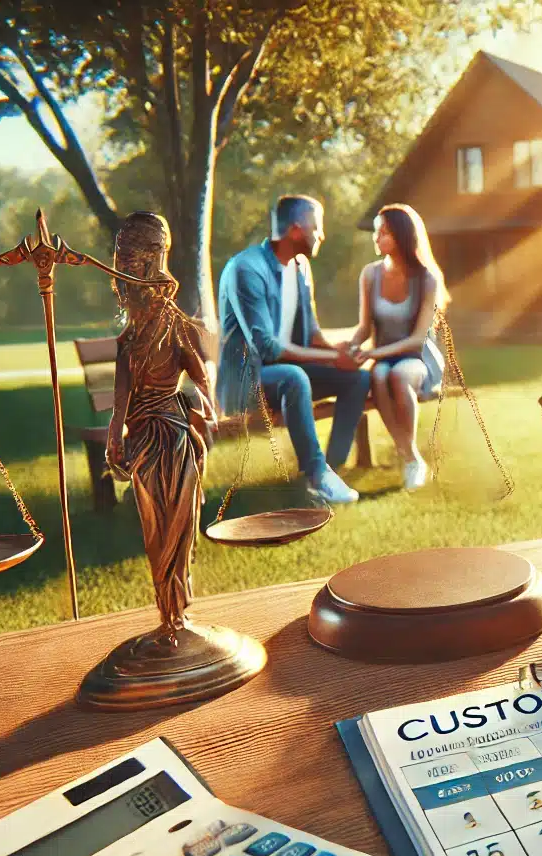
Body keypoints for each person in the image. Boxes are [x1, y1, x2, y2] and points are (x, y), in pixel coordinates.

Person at [217, 194, 370, 504]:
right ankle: (317, 475)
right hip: (245, 383)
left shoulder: (300, 267)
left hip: (285, 376)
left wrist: (340, 351)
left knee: (358, 379)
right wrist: (332, 358)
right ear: (297, 230)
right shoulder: (246, 269)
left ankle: (329, 470)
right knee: (294, 376)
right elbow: (266, 346)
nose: (322, 235)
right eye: (318, 227)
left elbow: (311, 332)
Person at [104, 212, 215, 640]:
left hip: (173, 437)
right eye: (122, 263)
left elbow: (201, 378)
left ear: (153, 263)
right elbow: (121, 396)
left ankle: (179, 614)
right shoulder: (129, 338)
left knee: (178, 527)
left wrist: (204, 402)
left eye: (134, 262)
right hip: (143, 441)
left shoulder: (176, 325)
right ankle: (167, 614)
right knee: (154, 531)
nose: (126, 271)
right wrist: (115, 436)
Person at [348, 203, 449, 492]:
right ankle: (411, 458)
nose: (376, 238)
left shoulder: (426, 279)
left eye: (384, 232)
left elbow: (419, 339)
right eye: (376, 232)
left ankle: (411, 459)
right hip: (382, 358)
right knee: (378, 376)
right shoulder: (370, 274)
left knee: (399, 376)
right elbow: (364, 328)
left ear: (403, 236)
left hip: (417, 358)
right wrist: (351, 347)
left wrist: (373, 353)